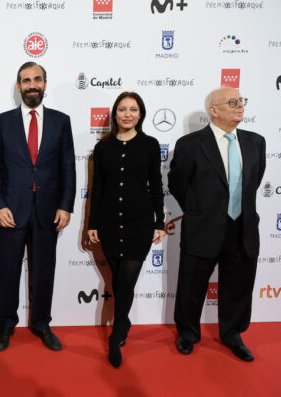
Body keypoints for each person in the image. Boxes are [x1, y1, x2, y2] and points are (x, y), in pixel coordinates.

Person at [168, 87, 265, 362]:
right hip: (203, 226)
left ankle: (232, 333)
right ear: (213, 110)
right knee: (192, 286)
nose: (239, 106)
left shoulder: (256, 142)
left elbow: (253, 182)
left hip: (242, 227)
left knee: (238, 285)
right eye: (232, 102)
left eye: (241, 101)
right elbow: (177, 184)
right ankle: (187, 334)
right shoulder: (190, 144)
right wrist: (199, 210)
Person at [0, 62, 76, 352]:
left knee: (44, 271)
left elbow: (67, 167)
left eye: (37, 79)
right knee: (8, 271)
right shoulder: (2, 122)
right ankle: (5, 325)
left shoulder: (61, 121)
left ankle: (41, 323)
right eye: (26, 80)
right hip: (11, 211)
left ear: (45, 84)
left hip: (48, 211)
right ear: (18, 86)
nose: (32, 84)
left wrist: (66, 206)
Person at [87, 92, 165, 368]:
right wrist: (92, 223)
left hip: (139, 222)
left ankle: (116, 334)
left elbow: (156, 185)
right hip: (108, 222)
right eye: (122, 109)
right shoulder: (103, 148)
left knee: (126, 281)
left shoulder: (150, 145)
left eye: (133, 109)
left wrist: (159, 222)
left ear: (140, 114)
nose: (127, 114)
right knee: (118, 278)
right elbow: (97, 190)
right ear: (115, 114)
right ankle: (125, 321)